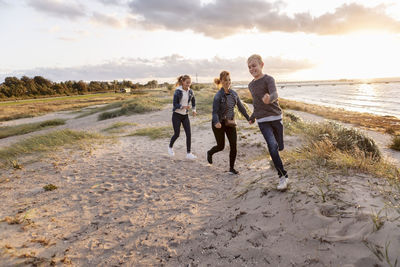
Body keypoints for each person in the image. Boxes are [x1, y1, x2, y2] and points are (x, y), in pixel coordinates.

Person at [247, 54, 289, 190]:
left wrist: (269, 98)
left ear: (261, 65)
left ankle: (277, 152)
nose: (252, 69)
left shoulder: (269, 79)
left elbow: (275, 94)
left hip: (276, 117)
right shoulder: (251, 85)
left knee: (279, 146)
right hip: (263, 120)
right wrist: (253, 116)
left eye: (254, 66)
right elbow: (256, 103)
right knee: (272, 146)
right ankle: (283, 176)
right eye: (249, 67)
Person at [207, 70, 251, 174]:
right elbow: (214, 112)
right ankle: (210, 152)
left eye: (229, 80)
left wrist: (248, 118)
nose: (228, 82)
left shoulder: (234, 94)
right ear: (221, 81)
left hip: (230, 123)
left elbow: (241, 107)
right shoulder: (218, 96)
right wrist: (217, 122)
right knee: (221, 146)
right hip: (219, 124)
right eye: (225, 80)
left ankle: (231, 168)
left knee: (234, 146)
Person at [168, 75, 197, 159]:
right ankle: (170, 147)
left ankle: (188, 153)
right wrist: (183, 107)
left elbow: (193, 102)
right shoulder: (178, 91)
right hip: (176, 115)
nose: (188, 84)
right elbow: (175, 104)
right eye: (187, 82)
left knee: (189, 134)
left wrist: (194, 110)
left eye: (190, 83)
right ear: (183, 82)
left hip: (185, 116)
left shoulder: (191, 91)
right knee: (177, 134)